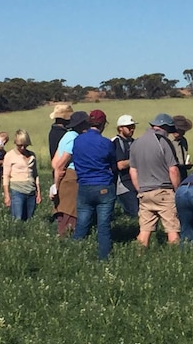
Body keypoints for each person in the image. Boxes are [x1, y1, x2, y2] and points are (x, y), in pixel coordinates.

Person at [129, 113, 181, 247]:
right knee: (172, 228)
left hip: (144, 193)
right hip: (163, 191)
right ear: (164, 127)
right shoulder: (163, 141)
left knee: (145, 230)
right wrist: (178, 190)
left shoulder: (136, 142)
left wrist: (139, 189)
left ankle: (138, 257)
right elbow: (173, 170)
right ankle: (176, 259)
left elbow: (133, 170)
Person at [72, 110, 118, 260]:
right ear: (103, 124)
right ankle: (104, 258)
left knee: (82, 223)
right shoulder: (106, 143)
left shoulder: (78, 141)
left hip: (84, 185)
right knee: (103, 226)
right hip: (103, 185)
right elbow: (113, 165)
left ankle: (73, 255)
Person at [52, 111, 89, 236]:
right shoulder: (74, 139)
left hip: (64, 177)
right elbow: (60, 164)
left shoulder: (66, 136)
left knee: (64, 212)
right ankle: (66, 241)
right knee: (70, 212)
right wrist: (56, 185)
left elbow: (54, 162)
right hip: (71, 177)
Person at [2, 129, 41, 221]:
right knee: (17, 218)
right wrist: (7, 195)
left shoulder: (32, 155)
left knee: (29, 219)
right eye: (20, 145)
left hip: (31, 190)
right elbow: (6, 176)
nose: (23, 148)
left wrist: (38, 192)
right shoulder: (10, 155)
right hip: (17, 190)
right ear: (15, 143)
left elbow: (35, 174)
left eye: (25, 145)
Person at [112, 114, 139, 218]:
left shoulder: (134, 142)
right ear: (120, 128)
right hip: (123, 184)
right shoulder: (116, 142)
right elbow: (120, 165)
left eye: (133, 127)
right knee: (134, 212)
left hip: (134, 182)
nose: (132, 129)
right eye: (129, 127)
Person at [171, 115, 193, 181]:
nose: (184, 133)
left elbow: (185, 157)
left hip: (183, 175)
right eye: (182, 130)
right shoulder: (166, 141)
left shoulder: (183, 140)